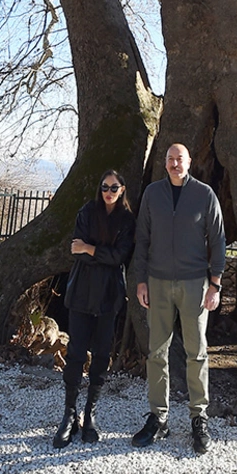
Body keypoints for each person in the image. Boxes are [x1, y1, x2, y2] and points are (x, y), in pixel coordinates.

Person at [131, 143, 226, 454]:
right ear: (165, 163)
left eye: (179, 159)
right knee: (156, 352)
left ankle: (199, 418)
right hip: (157, 284)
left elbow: (218, 239)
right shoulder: (152, 194)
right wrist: (141, 280)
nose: (174, 164)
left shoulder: (204, 195)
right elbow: (142, 238)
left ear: (189, 162)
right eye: (170, 159)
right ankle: (158, 418)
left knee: (196, 352)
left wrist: (215, 284)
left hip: (194, 285)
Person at [52, 170, 136, 448]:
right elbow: (76, 250)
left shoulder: (127, 220)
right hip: (81, 293)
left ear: (122, 189)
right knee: (75, 353)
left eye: (114, 187)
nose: (109, 191)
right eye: (104, 187)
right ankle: (69, 414)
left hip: (109, 296)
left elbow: (120, 256)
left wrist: (90, 248)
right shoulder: (86, 212)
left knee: (101, 354)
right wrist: (97, 252)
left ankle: (91, 412)